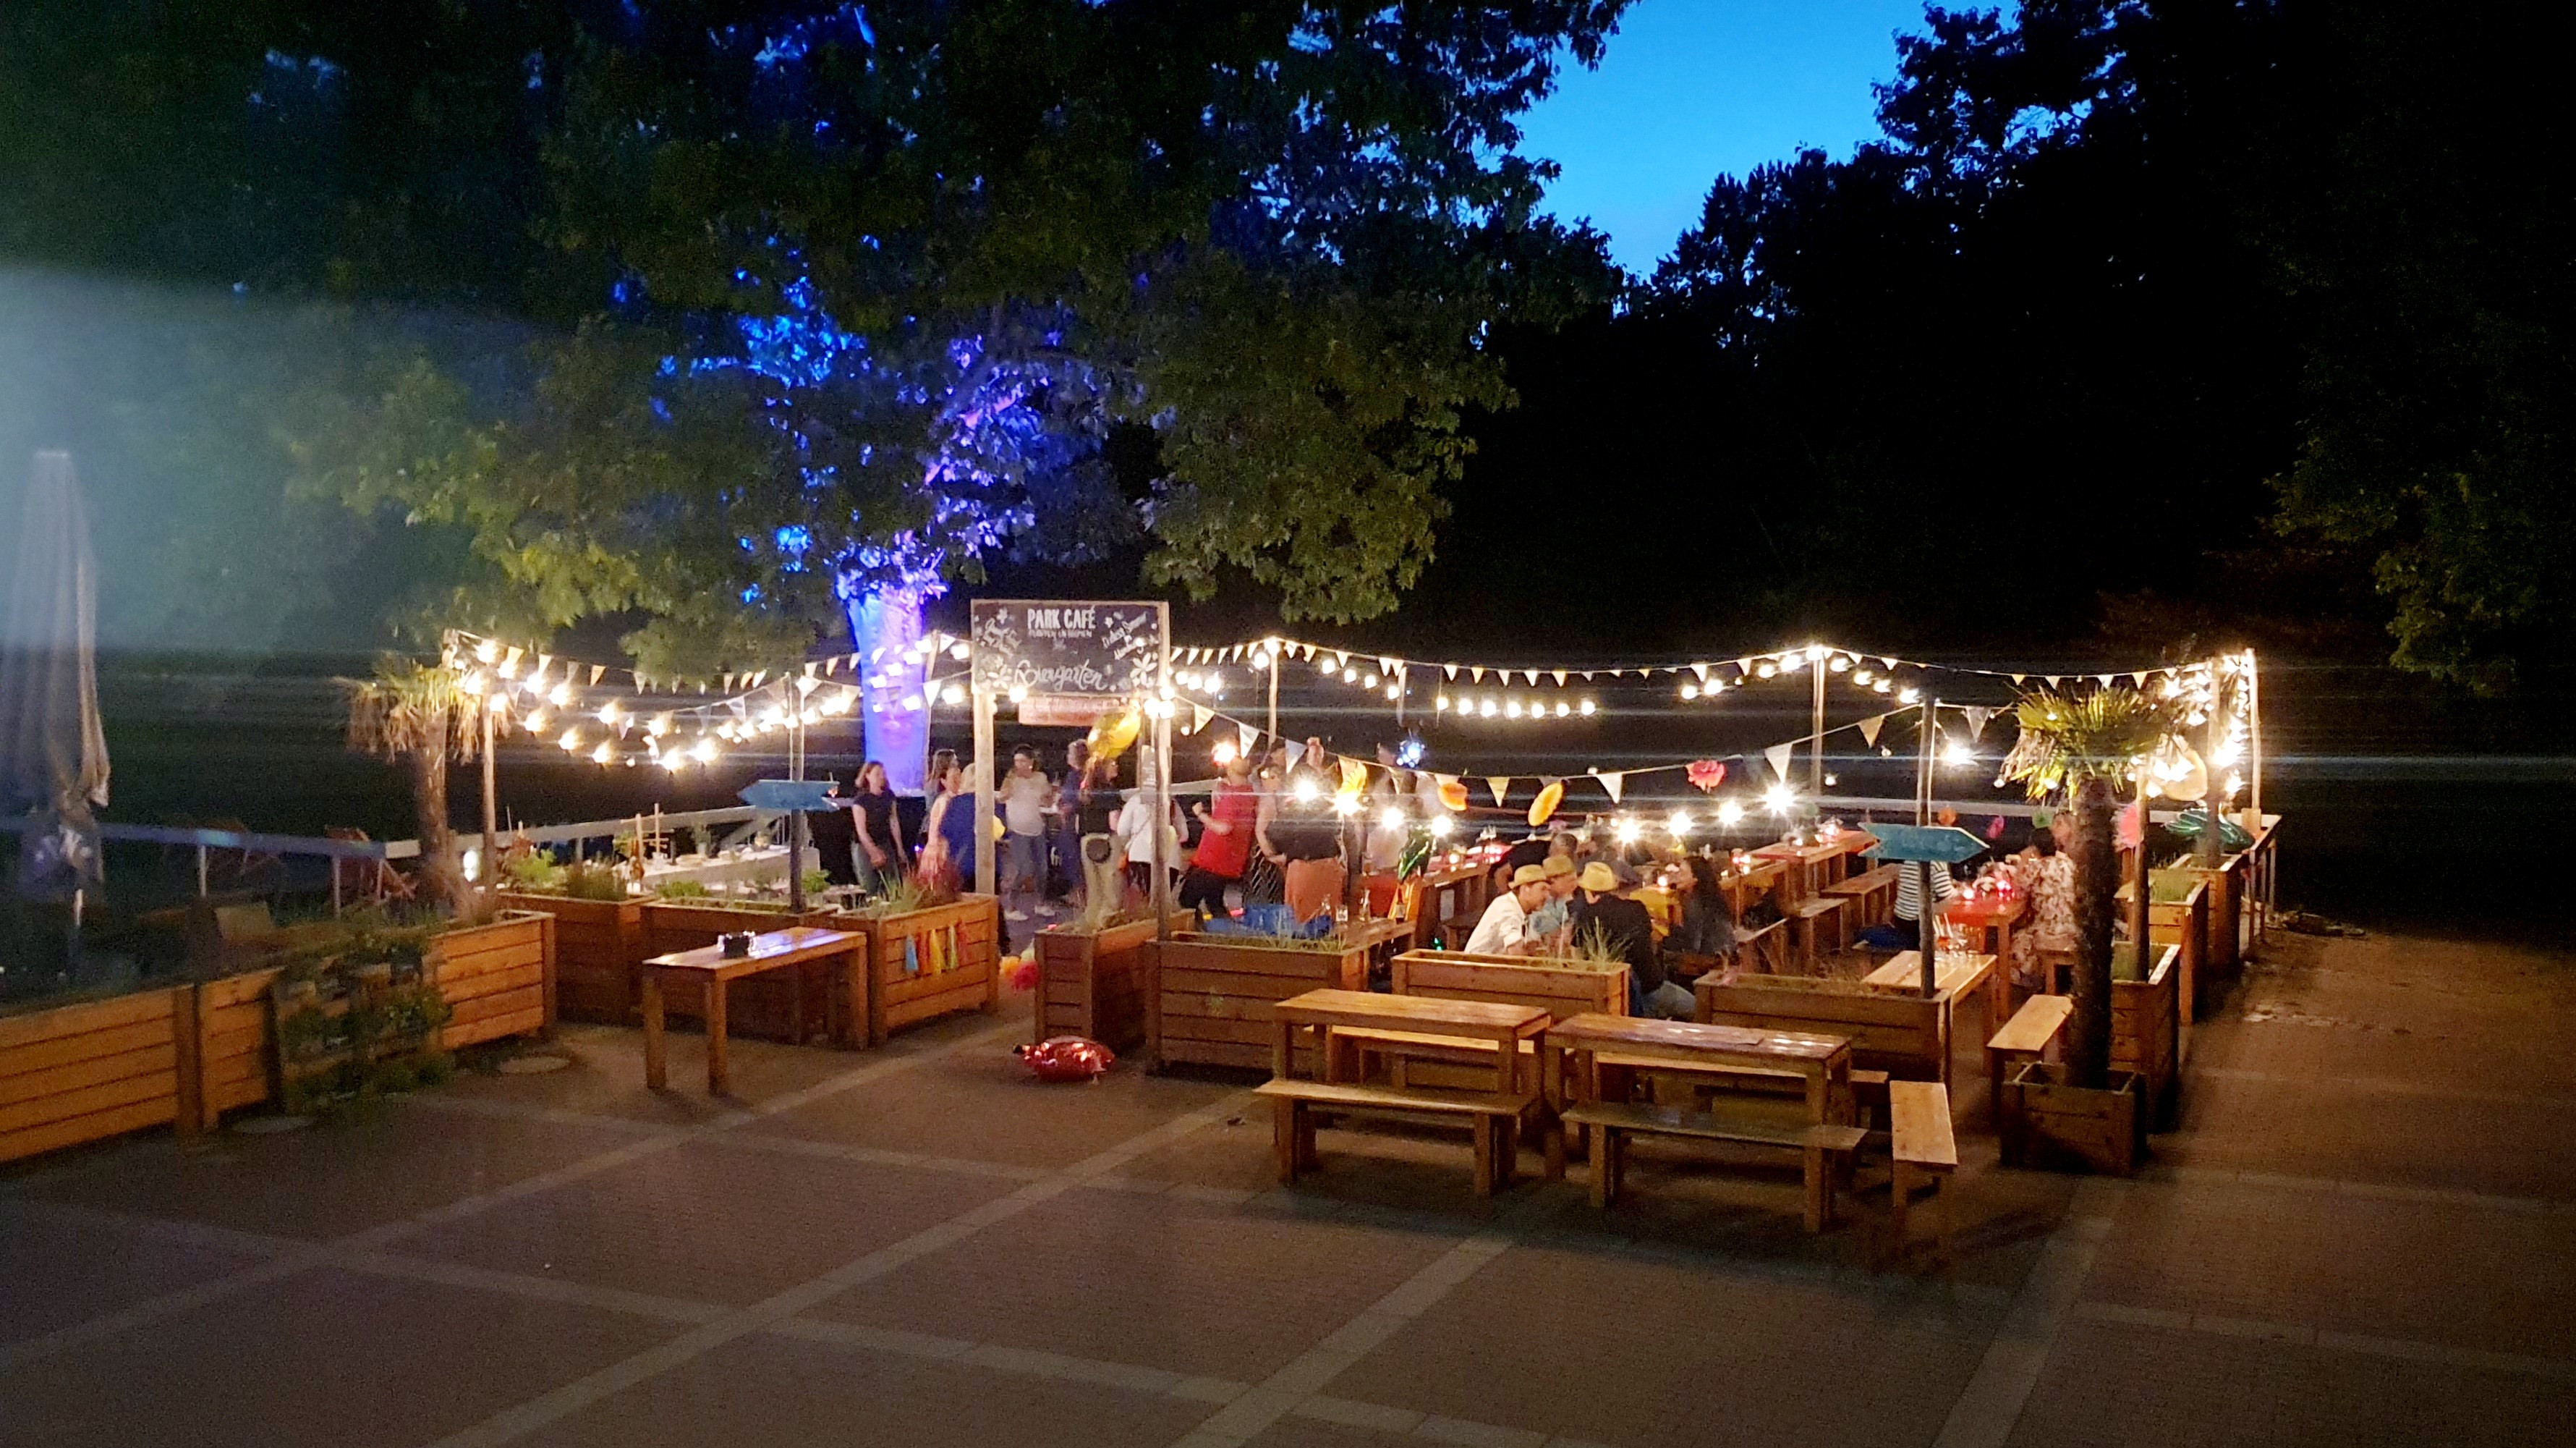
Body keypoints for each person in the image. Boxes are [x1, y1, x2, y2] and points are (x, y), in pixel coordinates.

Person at [1569, 862, 1667, 1014]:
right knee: (1694, 1007)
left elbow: (1577, 957)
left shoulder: (1585, 916)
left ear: (1589, 892)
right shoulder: (1637, 907)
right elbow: (1653, 943)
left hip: (1615, 997)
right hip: (1652, 986)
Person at [1179, 755, 1258, 918]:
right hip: (1229, 861)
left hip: (1214, 860)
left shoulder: (1234, 798)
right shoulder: (1248, 794)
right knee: (1214, 902)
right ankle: (1223, 932)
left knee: (1187, 901)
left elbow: (1224, 828)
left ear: (1230, 769)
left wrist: (1200, 814)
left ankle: (1195, 933)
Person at [2010, 813, 2077, 988]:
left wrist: (2024, 859)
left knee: (2017, 940)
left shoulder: (2038, 867)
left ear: (2035, 848)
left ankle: (2033, 985)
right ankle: (2054, 980)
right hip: (2073, 928)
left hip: (2049, 932)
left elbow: (2017, 888)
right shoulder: (2068, 864)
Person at [998, 745, 1053, 919]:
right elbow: (1002, 797)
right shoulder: (1012, 778)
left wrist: (1049, 796)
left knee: (1042, 869)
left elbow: (1047, 800)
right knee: (1023, 869)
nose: (1019, 764)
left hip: (1037, 829)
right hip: (1019, 830)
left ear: (1031, 762)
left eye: (1022, 761)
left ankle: (1040, 903)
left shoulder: (1040, 778)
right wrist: (1009, 786)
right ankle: (1011, 906)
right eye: (1016, 761)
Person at [1074, 752, 1125, 919]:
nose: (1116, 767)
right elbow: (1114, 824)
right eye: (1112, 764)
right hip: (1107, 842)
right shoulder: (1110, 792)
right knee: (1110, 890)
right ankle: (1105, 927)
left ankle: (1090, 923)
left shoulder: (1086, 792)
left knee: (1094, 890)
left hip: (1087, 842)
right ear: (1103, 769)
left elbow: (1077, 822)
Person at [919, 749, 977, 890]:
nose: (958, 781)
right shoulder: (944, 800)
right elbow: (938, 828)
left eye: (960, 777)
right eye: (954, 778)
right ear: (944, 781)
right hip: (941, 848)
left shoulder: (957, 799)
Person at [1465, 864, 1551, 956]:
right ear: (1525, 889)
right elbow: (1515, 953)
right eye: (1543, 889)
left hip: (1490, 966)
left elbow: (1532, 945)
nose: (1547, 896)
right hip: (1477, 967)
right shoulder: (1507, 908)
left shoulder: (1522, 910)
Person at [849, 759, 908, 893]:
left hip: (884, 841)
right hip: (864, 846)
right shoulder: (861, 801)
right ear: (868, 776)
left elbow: (893, 821)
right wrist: (873, 852)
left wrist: (899, 848)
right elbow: (861, 832)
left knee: (893, 884)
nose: (882, 777)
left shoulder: (889, 796)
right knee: (870, 885)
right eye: (878, 774)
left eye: (883, 773)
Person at [1052, 740, 1089, 903]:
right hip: (1068, 824)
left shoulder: (1080, 776)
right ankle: (1076, 892)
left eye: (1070, 753)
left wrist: (1065, 809)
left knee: (1075, 859)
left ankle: (1081, 894)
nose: (1067, 756)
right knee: (1069, 858)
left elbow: (1079, 801)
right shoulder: (1072, 776)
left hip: (1074, 825)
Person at [1526, 855, 1578, 949]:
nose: (1575, 885)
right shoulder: (1538, 901)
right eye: (1570, 881)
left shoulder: (1564, 900)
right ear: (1553, 880)